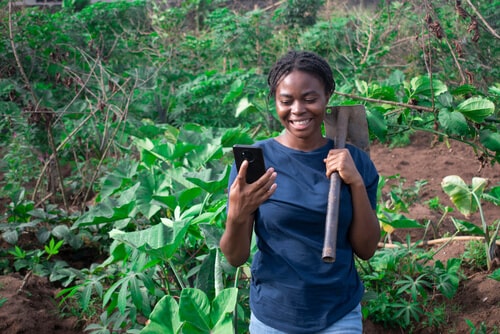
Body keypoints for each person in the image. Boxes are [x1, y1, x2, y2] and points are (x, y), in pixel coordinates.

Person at [220, 50, 380, 333]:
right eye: (286, 101)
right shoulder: (255, 164)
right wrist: (237, 213)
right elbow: (235, 257)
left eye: (309, 99)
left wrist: (354, 181)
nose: (298, 109)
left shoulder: (354, 161)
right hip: (273, 315)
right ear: (275, 102)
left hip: (338, 313)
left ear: (327, 96)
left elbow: (366, 249)